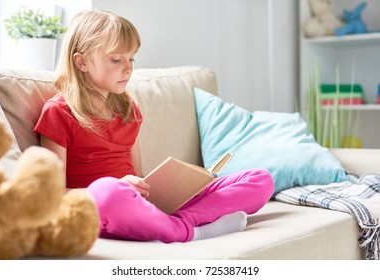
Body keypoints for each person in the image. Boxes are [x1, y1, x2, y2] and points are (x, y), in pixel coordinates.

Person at [34, 10, 274, 243]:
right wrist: (118, 187)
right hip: (100, 207)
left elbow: (139, 177)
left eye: (131, 58)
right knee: (108, 190)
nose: (128, 68)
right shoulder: (58, 112)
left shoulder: (128, 110)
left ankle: (177, 220)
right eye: (116, 59)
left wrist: (176, 184)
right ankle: (188, 231)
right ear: (82, 62)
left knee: (260, 180)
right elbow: (53, 195)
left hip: (140, 206)